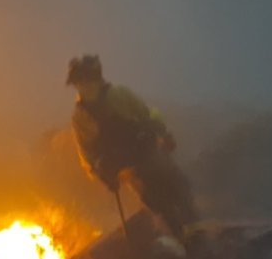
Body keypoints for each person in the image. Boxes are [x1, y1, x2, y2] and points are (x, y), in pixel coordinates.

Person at [67, 55, 197, 238]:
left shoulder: (119, 95)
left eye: (88, 82)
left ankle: (199, 232)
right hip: (129, 170)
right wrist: (101, 174)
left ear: (97, 80)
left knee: (178, 188)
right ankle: (185, 242)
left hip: (149, 153)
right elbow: (86, 153)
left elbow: (147, 114)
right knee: (157, 203)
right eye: (79, 83)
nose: (84, 88)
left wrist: (164, 134)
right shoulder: (80, 118)